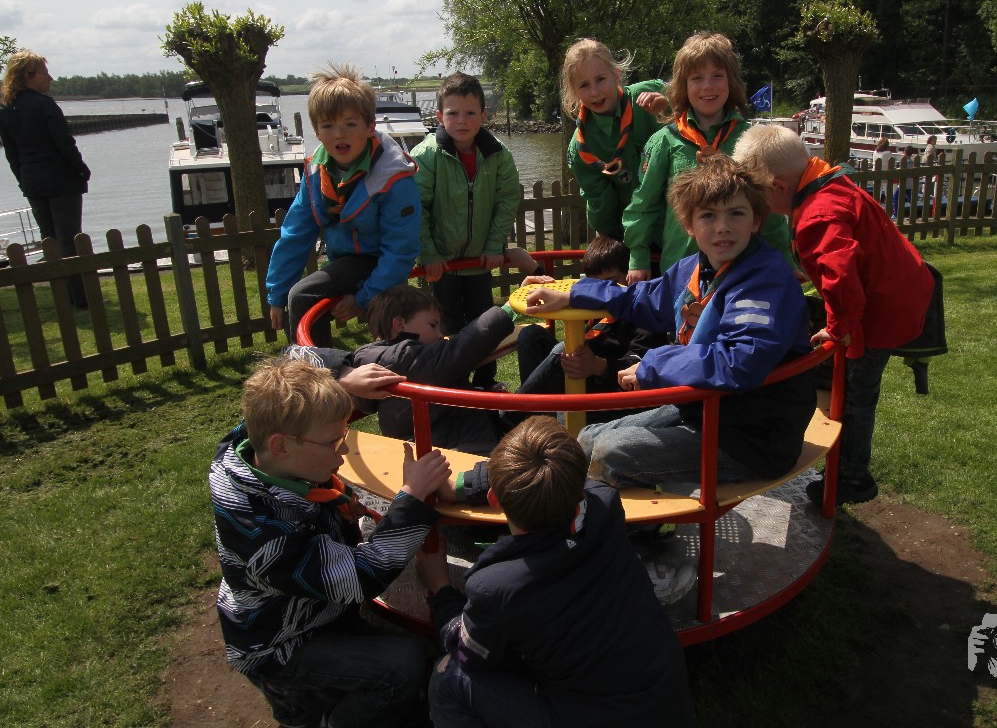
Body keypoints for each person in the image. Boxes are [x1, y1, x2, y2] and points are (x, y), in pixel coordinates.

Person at [524, 156, 816, 492]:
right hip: (706, 408)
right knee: (587, 437)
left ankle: (606, 515)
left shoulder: (765, 280)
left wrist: (654, 364)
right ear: (689, 225)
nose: (723, 227)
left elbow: (740, 360)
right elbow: (642, 298)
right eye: (708, 215)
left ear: (756, 221)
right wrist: (576, 293)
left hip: (754, 437)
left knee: (611, 452)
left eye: (736, 213)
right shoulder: (694, 268)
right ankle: (545, 498)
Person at [210, 356, 451, 728]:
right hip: (280, 643)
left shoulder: (250, 449)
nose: (342, 452)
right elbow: (359, 577)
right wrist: (412, 497)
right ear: (281, 445)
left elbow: (290, 373)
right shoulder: (263, 532)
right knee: (404, 665)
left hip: (311, 609)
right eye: (332, 442)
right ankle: (310, 712)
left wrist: (343, 385)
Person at [417, 416, 696, 728]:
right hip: (663, 700)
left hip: (589, 715)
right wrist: (465, 487)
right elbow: (575, 482)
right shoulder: (605, 506)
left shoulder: (496, 587)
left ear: (494, 500)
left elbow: (469, 653)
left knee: (448, 677)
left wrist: (440, 589)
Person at [733, 124, 944, 505]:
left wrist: (837, 329)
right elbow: (846, 253)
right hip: (895, 295)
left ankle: (852, 478)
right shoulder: (828, 182)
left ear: (777, 187)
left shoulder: (818, 215)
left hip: (877, 316)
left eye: (758, 196)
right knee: (844, 385)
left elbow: (841, 274)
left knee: (856, 397)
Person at [265, 64, 421, 347]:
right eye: (328, 126)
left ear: (370, 127)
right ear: (316, 131)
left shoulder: (393, 175)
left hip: (383, 262)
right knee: (299, 297)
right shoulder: (317, 172)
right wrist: (277, 294)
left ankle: (323, 368)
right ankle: (315, 370)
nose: (339, 134)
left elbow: (401, 249)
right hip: (345, 262)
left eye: (350, 124)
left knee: (394, 336)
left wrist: (362, 298)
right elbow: (295, 234)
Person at [621, 32, 792, 284]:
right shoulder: (664, 141)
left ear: (731, 81)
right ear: (683, 86)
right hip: (681, 271)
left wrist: (785, 261)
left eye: (717, 76)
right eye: (697, 78)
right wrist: (638, 256)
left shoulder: (750, 139)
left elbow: (770, 210)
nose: (707, 86)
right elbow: (643, 204)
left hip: (743, 271)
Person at [312, 282, 526, 454]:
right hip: (446, 447)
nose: (440, 334)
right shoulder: (401, 358)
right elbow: (457, 351)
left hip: (454, 431)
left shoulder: (385, 356)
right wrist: (508, 310)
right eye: (432, 325)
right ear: (399, 324)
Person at [411, 72, 521, 391]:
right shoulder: (425, 156)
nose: (462, 121)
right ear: (439, 117)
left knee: (484, 324)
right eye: (453, 113)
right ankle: (455, 387)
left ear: (484, 116)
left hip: (478, 261)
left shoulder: (498, 154)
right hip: (442, 263)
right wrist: (428, 253)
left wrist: (495, 244)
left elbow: (506, 201)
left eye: (471, 113)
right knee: (448, 327)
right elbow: (416, 209)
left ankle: (487, 382)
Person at [511, 235, 669, 424]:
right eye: (595, 285)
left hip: (609, 389)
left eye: (611, 282)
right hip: (580, 369)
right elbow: (560, 295)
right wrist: (537, 278)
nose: (601, 291)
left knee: (564, 352)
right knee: (532, 335)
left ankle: (512, 415)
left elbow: (638, 364)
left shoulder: (642, 317)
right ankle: (534, 415)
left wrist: (598, 366)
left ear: (630, 277)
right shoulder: (591, 302)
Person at [0, 50, 92, 309]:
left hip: (33, 182)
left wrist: (23, 180)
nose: (50, 78)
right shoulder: (45, 105)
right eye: (44, 73)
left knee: (49, 240)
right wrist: (81, 169)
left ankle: (64, 297)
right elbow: (64, 143)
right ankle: (80, 298)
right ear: (28, 76)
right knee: (69, 239)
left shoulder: (5, 109)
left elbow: (11, 154)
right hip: (61, 181)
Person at [561, 38, 668, 240]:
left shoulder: (648, 95)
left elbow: (696, 108)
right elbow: (602, 210)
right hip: (635, 237)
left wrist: (669, 106)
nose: (595, 92)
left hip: (681, 229)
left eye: (600, 79)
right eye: (584, 85)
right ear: (574, 92)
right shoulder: (581, 149)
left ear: (616, 74)